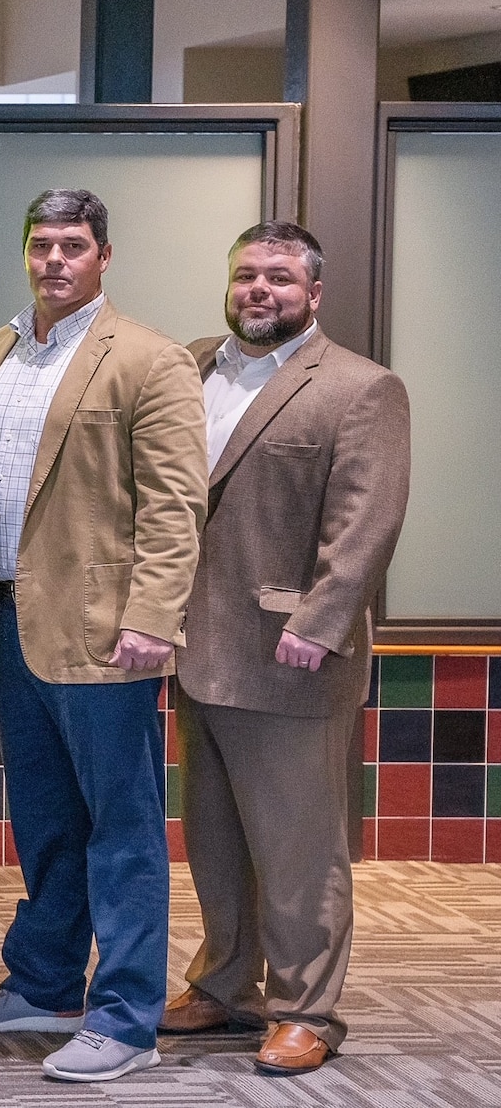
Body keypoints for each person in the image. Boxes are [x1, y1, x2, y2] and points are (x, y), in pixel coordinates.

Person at [0, 188, 207, 1083]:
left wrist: (153, 618)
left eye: (74, 246)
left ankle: (126, 1015)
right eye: (42, 244)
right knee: (47, 818)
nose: (55, 260)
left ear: (103, 256)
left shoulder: (149, 359)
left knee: (120, 828)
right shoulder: (3, 346)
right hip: (11, 619)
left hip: (105, 632)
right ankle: (46, 980)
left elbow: (175, 506)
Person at [162, 223, 410, 1075]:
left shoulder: (360, 387)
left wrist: (319, 622)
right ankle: (228, 984)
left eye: (278, 277)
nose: (258, 289)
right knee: (218, 837)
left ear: (314, 293)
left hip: (289, 654)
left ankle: (308, 1008)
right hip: (198, 647)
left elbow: (366, 523)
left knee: (301, 844)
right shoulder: (194, 366)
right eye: (245, 275)